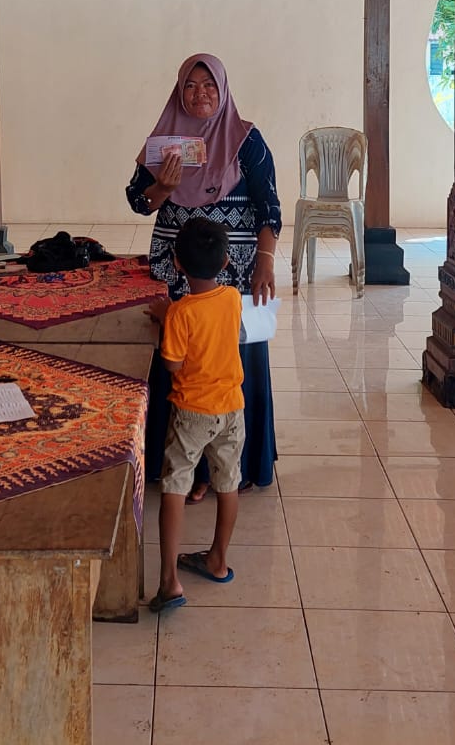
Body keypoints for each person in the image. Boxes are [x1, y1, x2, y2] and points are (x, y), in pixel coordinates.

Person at [127, 54, 280, 498]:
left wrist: (266, 260)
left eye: (209, 85)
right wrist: (163, 188)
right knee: (180, 357)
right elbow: (138, 200)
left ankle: (231, 465)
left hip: (232, 273)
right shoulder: (163, 142)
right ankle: (182, 465)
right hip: (177, 271)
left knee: (230, 359)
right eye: (191, 86)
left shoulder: (246, 139)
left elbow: (269, 205)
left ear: (223, 89)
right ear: (180, 91)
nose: (200, 94)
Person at [149, 218, 244, 613]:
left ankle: (170, 582)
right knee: (228, 481)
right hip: (232, 408)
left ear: (177, 263)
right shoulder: (233, 297)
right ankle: (218, 559)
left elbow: (172, 364)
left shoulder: (180, 312)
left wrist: (164, 319)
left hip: (192, 413)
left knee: (175, 486)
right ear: (225, 261)